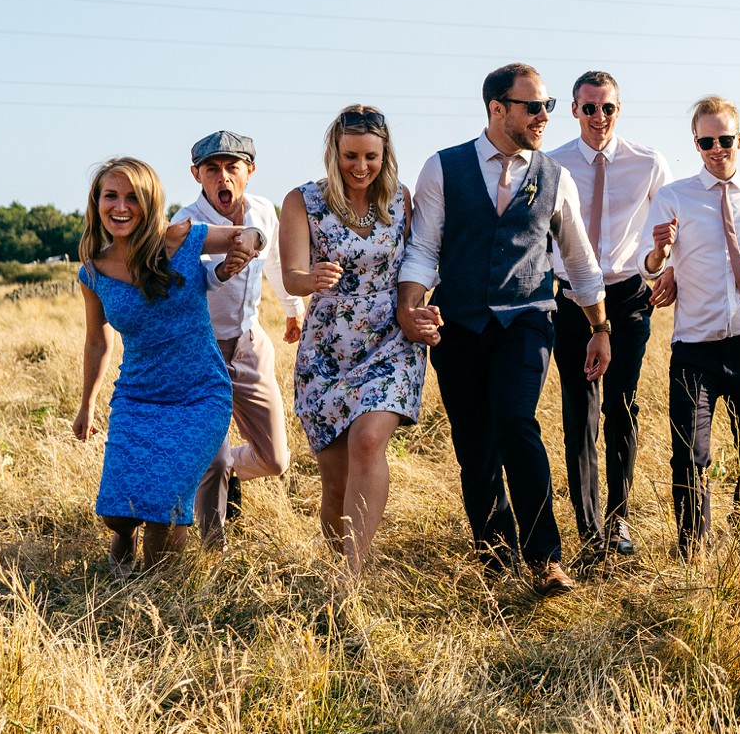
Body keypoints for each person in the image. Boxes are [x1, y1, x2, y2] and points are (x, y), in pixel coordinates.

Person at [399, 64, 610, 595]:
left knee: (516, 423)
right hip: (459, 324)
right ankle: (495, 555)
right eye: (532, 106)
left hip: (528, 318)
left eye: (548, 106)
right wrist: (411, 305)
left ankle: (544, 559)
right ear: (497, 108)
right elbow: (424, 247)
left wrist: (600, 326)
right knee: (474, 444)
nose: (544, 116)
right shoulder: (442, 168)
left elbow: (579, 260)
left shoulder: (555, 177)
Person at [73, 157, 263, 573]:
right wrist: (86, 404)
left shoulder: (181, 239)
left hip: (199, 396)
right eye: (111, 196)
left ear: (149, 201)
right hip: (137, 397)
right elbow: (95, 341)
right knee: (118, 513)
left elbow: (249, 233)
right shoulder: (93, 271)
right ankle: (122, 535)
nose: (120, 206)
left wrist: (248, 242)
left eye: (132, 197)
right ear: (97, 202)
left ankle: (158, 603)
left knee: (164, 510)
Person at [642, 96, 740, 557]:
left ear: (739, 140)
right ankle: (694, 551)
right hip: (694, 348)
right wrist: (662, 257)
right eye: (707, 141)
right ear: (696, 143)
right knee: (689, 455)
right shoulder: (673, 196)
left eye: (725, 139)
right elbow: (649, 265)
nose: (716, 148)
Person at [280, 106, 424, 572]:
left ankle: (352, 576)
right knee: (335, 484)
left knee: (367, 441)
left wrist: (421, 308)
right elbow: (292, 276)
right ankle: (335, 567)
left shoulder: (401, 200)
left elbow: (418, 264)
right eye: (350, 156)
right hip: (327, 348)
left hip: (390, 338)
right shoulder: (303, 201)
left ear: (386, 154)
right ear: (334, 152)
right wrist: (312, 278)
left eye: (371, 157)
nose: (361, 167)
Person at [548, 71, 672, 557]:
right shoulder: (551, 165)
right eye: (589, 108)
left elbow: (667, 223)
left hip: (626, 296)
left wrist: (671, 268)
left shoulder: (648, 163)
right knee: (580, 412)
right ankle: (589, 529)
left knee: (621, 407)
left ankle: (619, 523)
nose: (599, 118)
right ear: (575, 110)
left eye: (608, 108)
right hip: (571, 299)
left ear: (620, 110)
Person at [173, 130, 305, 547]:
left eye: (233, 167)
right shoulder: (185, 222)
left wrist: (292, 309)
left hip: (250, 342)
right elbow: (183, 286)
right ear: (196, 174)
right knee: (209, 461)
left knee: (275, 458)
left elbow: (279, 264)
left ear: (250, 170)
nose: (223, 177)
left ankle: (231, 468)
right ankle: (213, 553)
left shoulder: (265, 212)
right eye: (212, 169)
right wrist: (223, 270)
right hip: (200, 349)